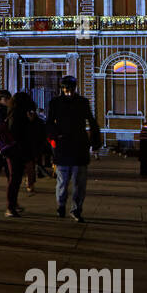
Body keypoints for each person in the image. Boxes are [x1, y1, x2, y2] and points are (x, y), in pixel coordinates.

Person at [47, 75, 101, 222]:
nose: (68, 91)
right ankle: (61, 205)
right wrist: (56, 136)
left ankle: (76, 209)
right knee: (63, 181)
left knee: (79, 182)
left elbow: (91, 120)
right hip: (65, 145)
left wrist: (95, 141)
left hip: (78, 146)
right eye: (65, 88)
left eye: (70, 88)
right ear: (62, 88)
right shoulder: (55, 103)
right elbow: (49, 122)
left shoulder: (82, 102)